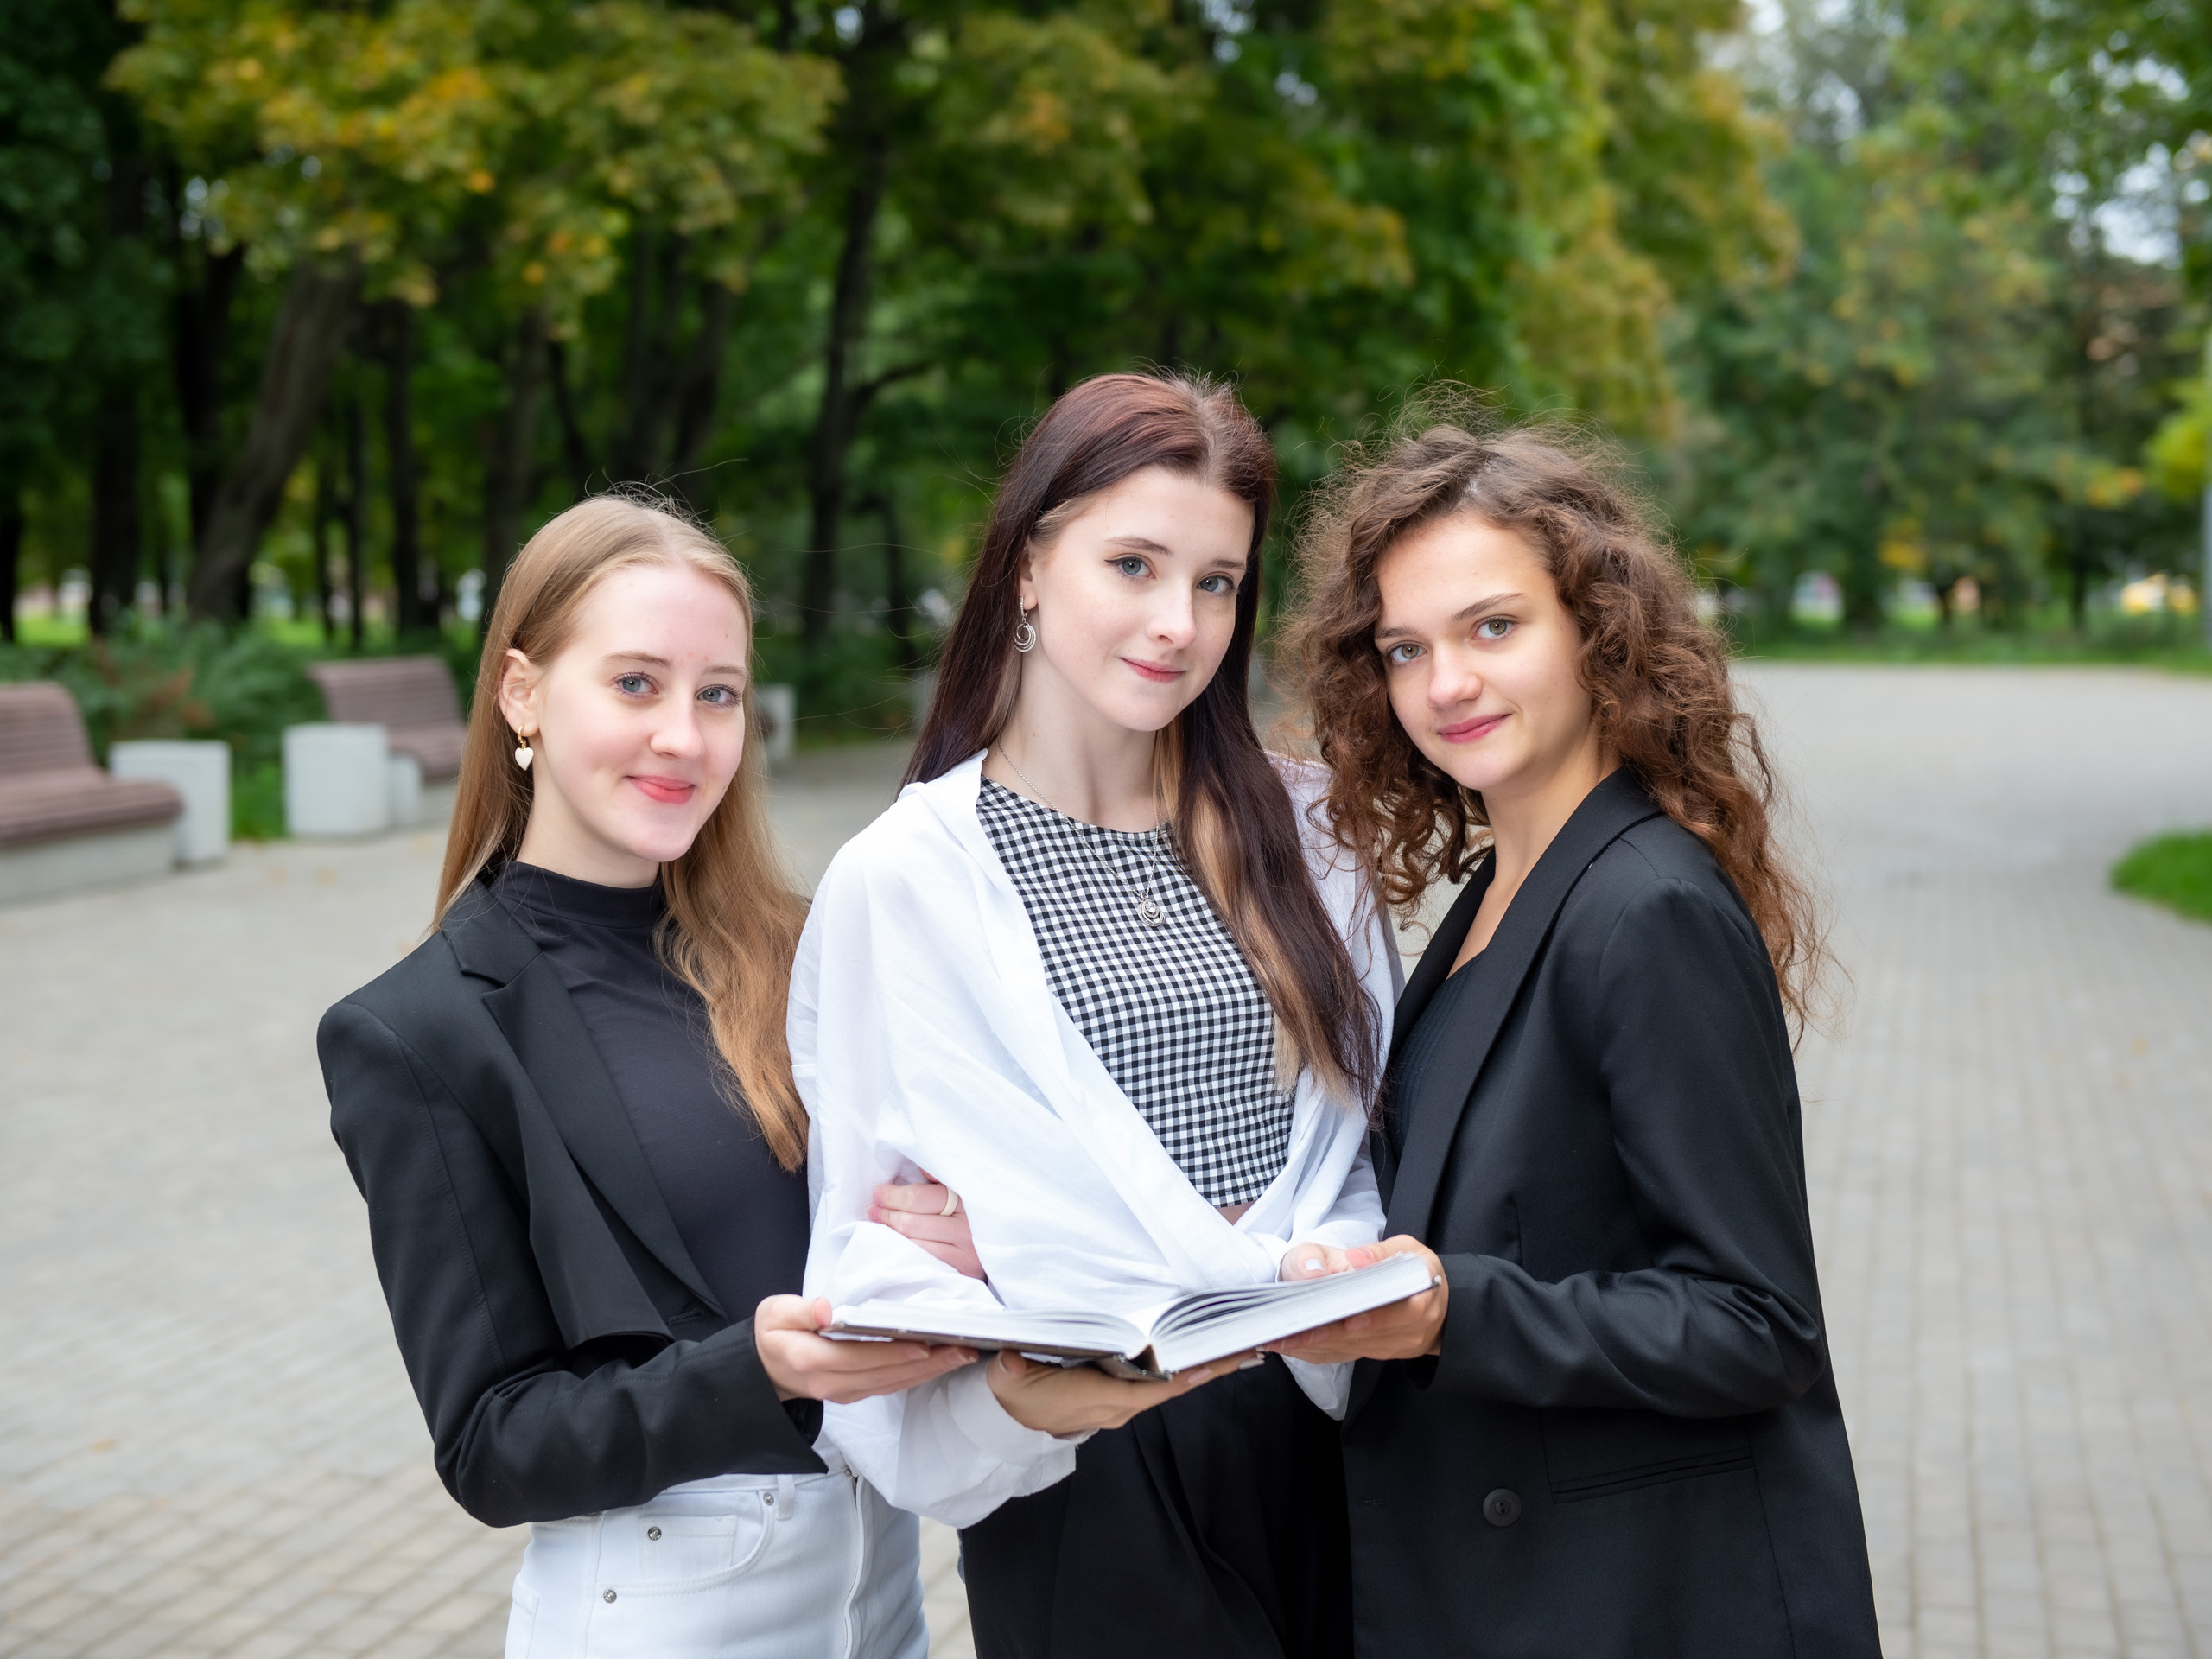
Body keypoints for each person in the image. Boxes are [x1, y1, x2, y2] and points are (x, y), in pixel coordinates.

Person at [793, 372, 1400, 1659]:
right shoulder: (904, 883)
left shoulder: (1307, 837)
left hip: (1336, 1431)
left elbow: (1371, 1143)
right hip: (1090, 1469)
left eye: (1217, 582)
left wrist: (1035, 1237)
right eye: (1132, 563)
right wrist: (1038, 1270)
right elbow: (872, 1250)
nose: (1176, 622)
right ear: (1025, 565)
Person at [319, 493, 980, 1659]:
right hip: (665, 1614)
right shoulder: (417, 1032)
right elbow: (491, 1443)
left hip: (880, 1586)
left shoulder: (807, 945)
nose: (685, 734)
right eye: (637, 684)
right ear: (522, 693)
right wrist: (755, 1370)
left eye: (716, 693)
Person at [1273, 416, 1883, 1656]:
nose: (1446, 683)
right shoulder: (1498, 894)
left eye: (1493, 627)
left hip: (1645, 1602)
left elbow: (1757, 1321)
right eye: (1406, 648)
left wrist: (1455, 1314)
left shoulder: (1644, 906)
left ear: (1596, 634)